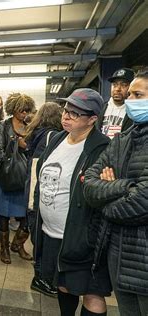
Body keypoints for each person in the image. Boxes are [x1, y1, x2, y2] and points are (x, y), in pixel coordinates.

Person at [33, 88, 110, 315]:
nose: (66, 116)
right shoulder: (56, 139)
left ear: (92, 119)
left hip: (82, 236)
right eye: (66, 110)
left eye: (75, 113)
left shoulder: (101, 148)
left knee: (91, 292)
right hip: (52, 233)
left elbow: (99, 191)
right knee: (64, 285)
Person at [84, 69, 148, 316]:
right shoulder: (123, 140)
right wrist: (125, 186)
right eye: (129, 93)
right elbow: (89, 182)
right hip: (118, 255)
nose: (130, 99)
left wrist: (105, 200)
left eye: (138, 94)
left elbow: (142, 201)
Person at [24, 102, 63, 297]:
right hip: (39, 193)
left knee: (37, 235)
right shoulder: (52, 136)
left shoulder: (37, 133)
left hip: (31, 191)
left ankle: (39, 275)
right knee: (41, 238)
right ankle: (40, 278)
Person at [0, 93, 36, 264]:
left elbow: (35, 148)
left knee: (26, 215)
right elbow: (0, 150)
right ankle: (4, 248)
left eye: (27, 110)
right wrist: (16, 145)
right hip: (7, 176)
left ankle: (17, 244)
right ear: (13, 109)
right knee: (3, 214)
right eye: (21, 110)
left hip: (25, 176)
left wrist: (26, 147)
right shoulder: (4, 126)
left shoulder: (31, 125)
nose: (24, 113)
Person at [97, 67, 135, 138]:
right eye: (115, 85)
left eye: (124, 85)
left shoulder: (135, 112)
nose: (117, 89)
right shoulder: (101, 108)